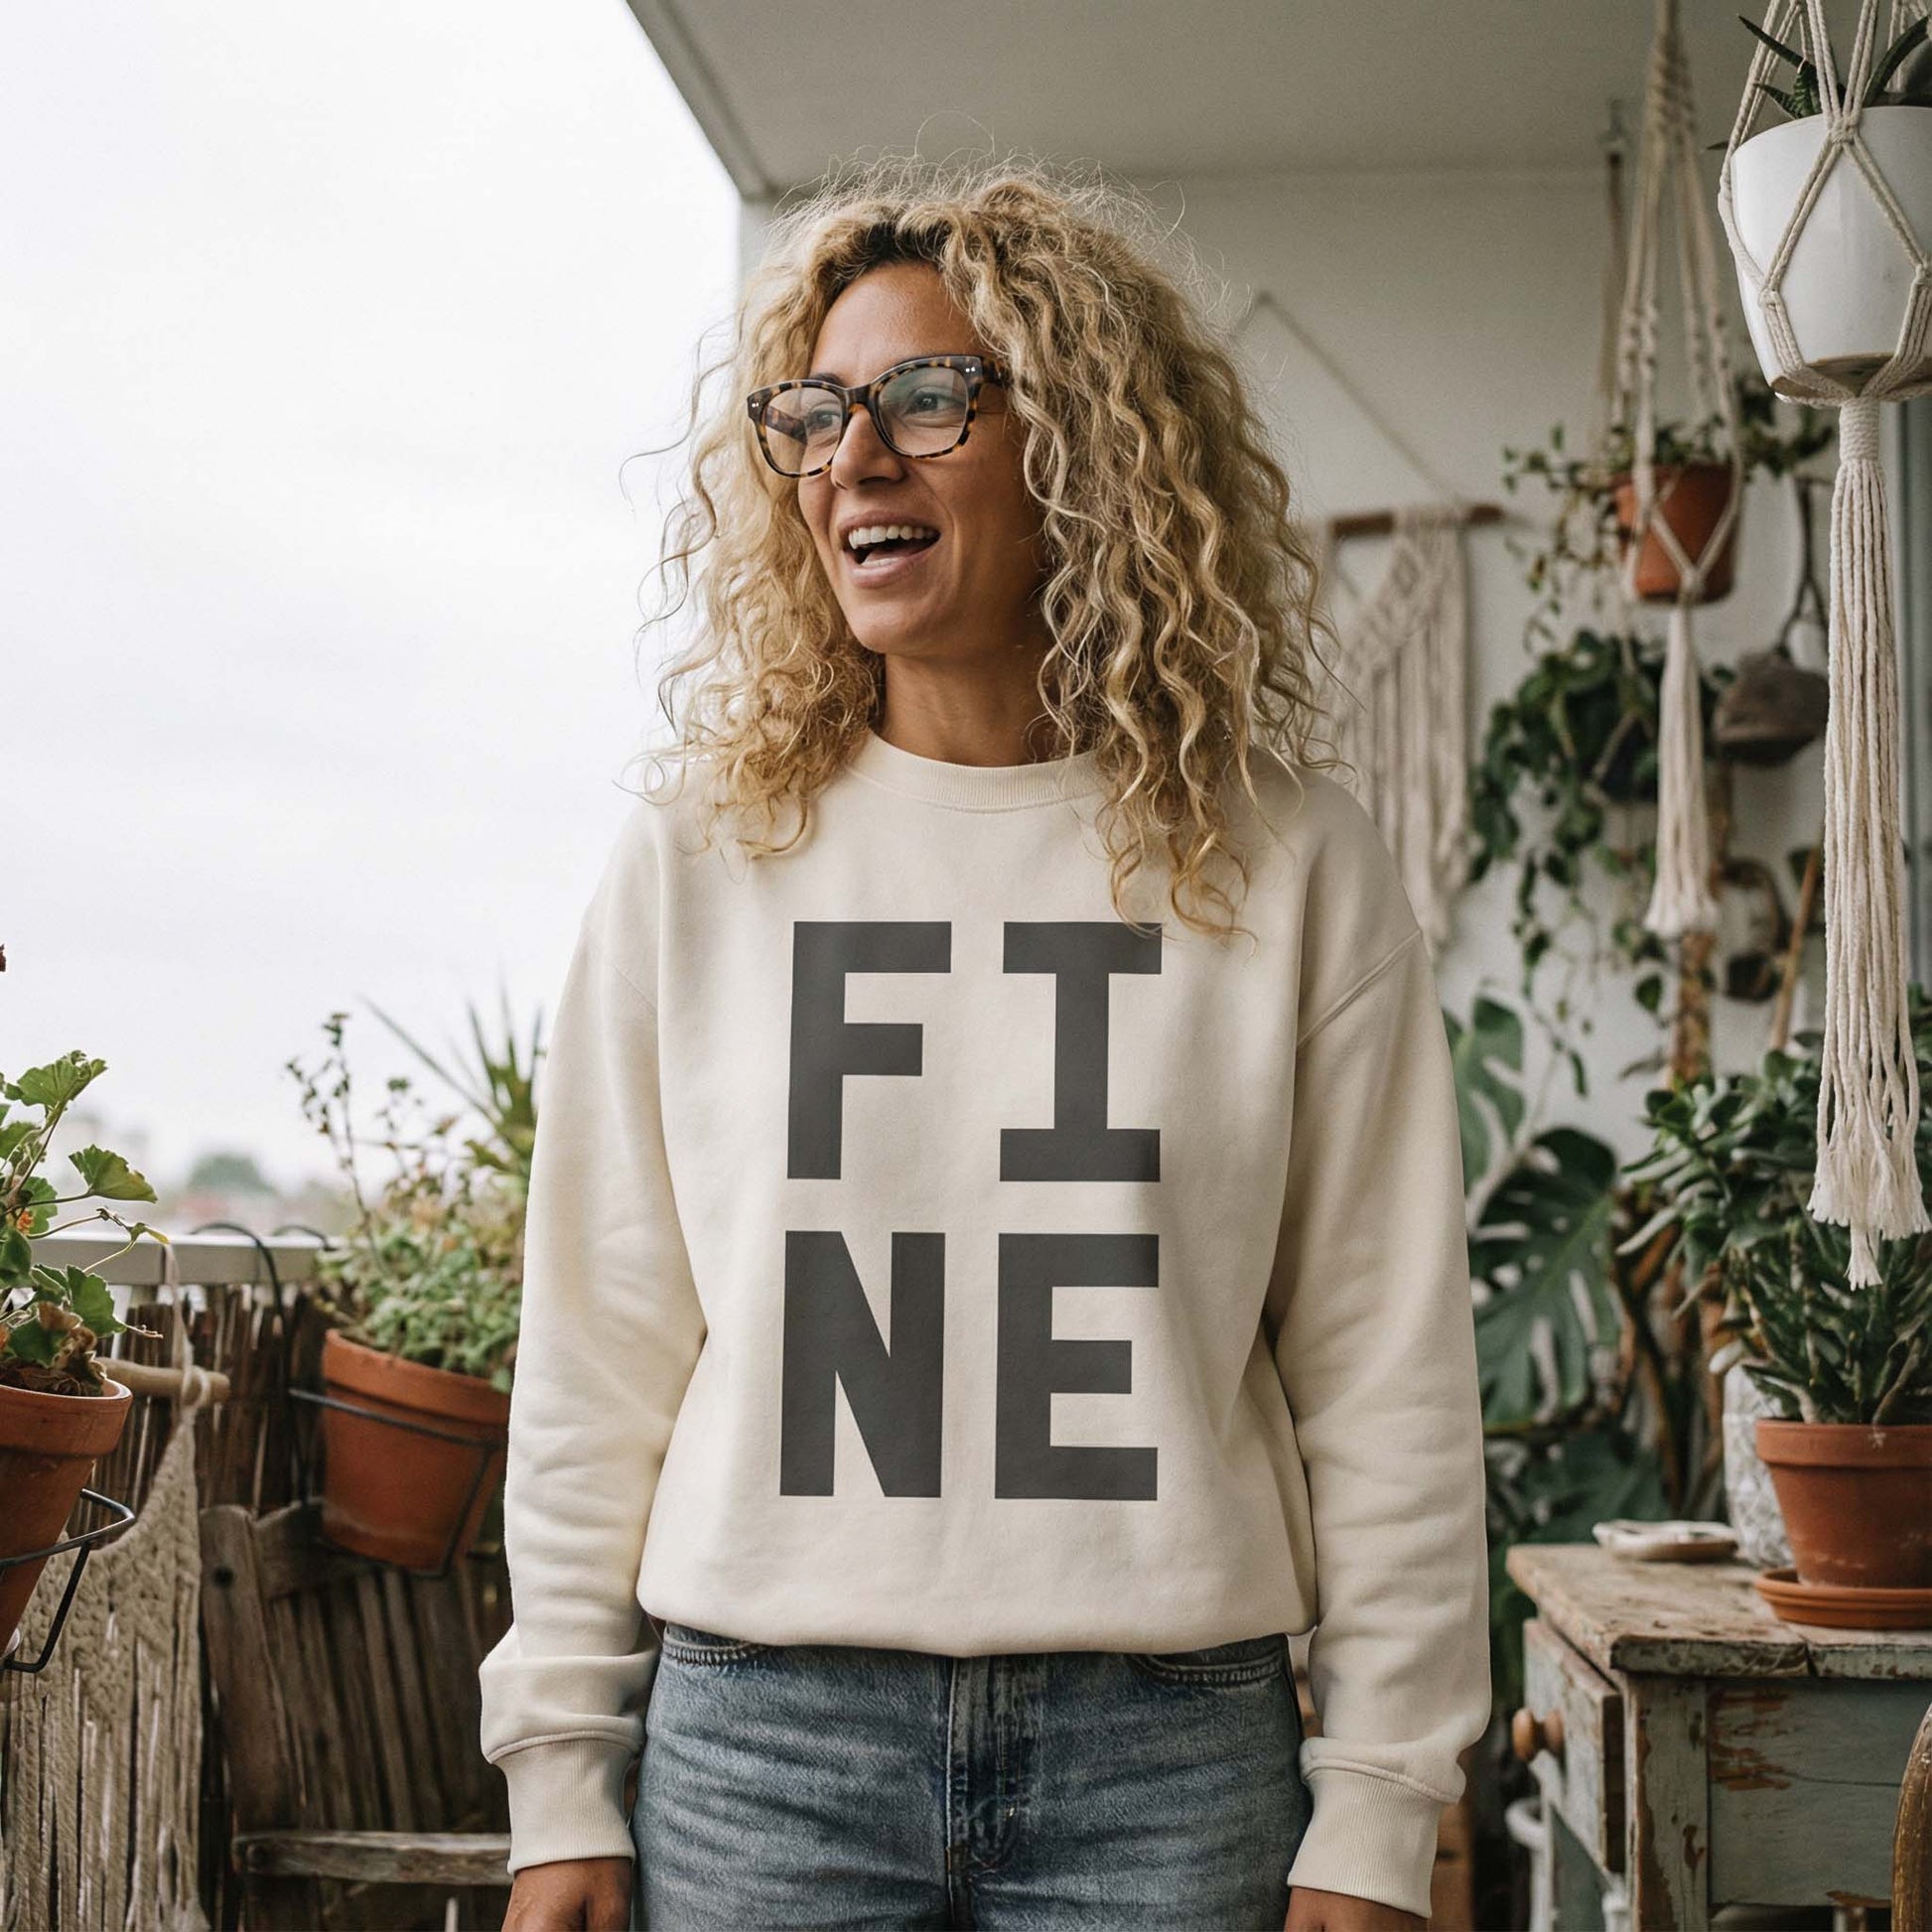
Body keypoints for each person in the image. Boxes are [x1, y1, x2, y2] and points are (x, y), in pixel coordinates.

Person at [481, 153, 1488, 1932]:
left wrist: (1387, 1800)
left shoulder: (1288, 859)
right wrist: (560, 1767)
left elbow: (1381, 1363)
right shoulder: (697, 863)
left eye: (930, 396)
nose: (852, 457)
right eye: (814, 413)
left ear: (1082, 448)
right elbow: (597, 1346)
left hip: (1167, 1755)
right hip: (765, 1744)